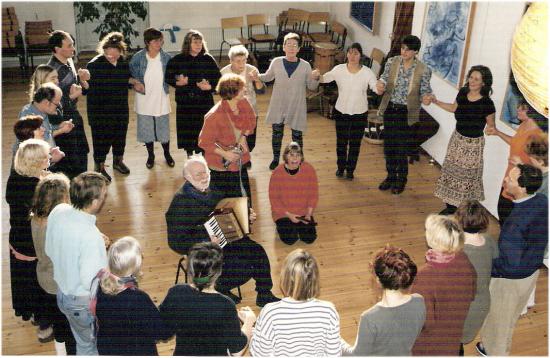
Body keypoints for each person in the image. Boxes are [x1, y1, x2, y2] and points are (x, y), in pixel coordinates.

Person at [165, 155, 280, 307]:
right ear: (187, 177)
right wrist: (206, 241)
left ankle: (264, 293)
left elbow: (228, 209)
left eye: (205, 171)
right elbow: (176, 243)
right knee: (240, 268)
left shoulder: (214, 188)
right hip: (203, 251)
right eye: (198, 174)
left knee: (257, 252)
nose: (204, 176)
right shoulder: (180, 203)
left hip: (226, 238)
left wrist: (246, 216)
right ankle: (220, 290)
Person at [476, 164, 548, 357]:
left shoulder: (514, 225)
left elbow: (509, 266)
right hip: (531, 272)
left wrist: (488, 268)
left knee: (497, 323)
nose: (505, 179)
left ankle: (492, 352)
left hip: (510, 281)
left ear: (523, 188)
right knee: (509, 319)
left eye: (511, 178)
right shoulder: (541, 201)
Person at [45, 171, 110, 355]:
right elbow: (92, 281)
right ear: (95, 202)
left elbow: (49, 249)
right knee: (90, 346)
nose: (104, 198)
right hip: (82, 303)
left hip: (62, 293)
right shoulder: (90, 236)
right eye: (104, 195)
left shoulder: (58, 211)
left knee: (81, 340)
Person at [159, 242, 257, 356]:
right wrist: (249, 322)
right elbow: (237, 351)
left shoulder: (176, 293)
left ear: (189, 269)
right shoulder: (225, 305)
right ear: (219, 272)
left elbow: (163, 333)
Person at [430, 65, 496, 214]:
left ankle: (464, 211)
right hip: (457, 140)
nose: (472, 81)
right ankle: (450, 207)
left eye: (476, 79)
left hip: (472, 146)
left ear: (483, 83)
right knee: (451, 172)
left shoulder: (487, 104)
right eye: (471, 77)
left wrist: (491, 129)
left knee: (466, 178)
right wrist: (436, 101)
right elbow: (454, 108)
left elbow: (491, 126)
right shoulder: (463, 92)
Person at [250, 249, 341, 356]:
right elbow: (334, 354)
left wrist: (253, 332)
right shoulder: (329, 311)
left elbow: (259, 354)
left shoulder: (270, 313)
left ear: (285, 278)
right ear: (315, 280)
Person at [411, 214, 476, 356]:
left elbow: (424, 322)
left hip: (431, 344)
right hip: (453, 333)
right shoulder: (463, 259)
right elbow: (472, 293)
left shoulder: (425, 276)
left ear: (432, 240)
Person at [342, 246, 425, 356]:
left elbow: (357, 356)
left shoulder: (370, 318)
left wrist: (337, 342)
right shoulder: (419, 301)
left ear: (378, 280)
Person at [254, 32, 320, 170]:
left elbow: (312, 87)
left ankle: (297, 160)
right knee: (277, 133)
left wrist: (316, 78)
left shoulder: (306, 65)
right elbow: (267, 77)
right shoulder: (276, 62)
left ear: (299, 48)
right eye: (288, 44)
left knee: (297, 136)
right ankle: (275, 158)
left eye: (294, 45)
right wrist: (256, 76)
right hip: (279, 104)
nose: (291, 48)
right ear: (283, 47)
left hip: (297, 105)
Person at [376, 35, 433, 194]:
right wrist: (380, 84)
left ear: (415, 51)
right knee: (389, 147)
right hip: (390, 109)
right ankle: (390, 176)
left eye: (408, 50)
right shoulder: (392, 62)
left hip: (406, 113)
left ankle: (401, 180)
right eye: (402, 48)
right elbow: (384, 78)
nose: (404, 52)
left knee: (401, 149)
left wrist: (427, 98)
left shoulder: (423, 70)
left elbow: (425, 91)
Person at [94, 236, 170, 355]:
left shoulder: (100, 285)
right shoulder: (138, 299)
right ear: (133, 267)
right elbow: (162, 332)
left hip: (107, 349)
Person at [6, 139, 51, 328]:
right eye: (46, 157)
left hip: (17, 237)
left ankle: (29, 311)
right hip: (31, 241)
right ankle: (43, 321)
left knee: (23, 279)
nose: (49, 158)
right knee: (36, 280)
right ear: (35, 163)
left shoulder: (16, 176)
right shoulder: (35, 189)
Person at [30, 173, 76, 354]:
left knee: (58, 322)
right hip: (59, 282)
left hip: (44, 276)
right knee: (66, 325)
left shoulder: (36, 217)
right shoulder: (57, 226)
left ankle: (59, 347)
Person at [320, 42, 380, 180]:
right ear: (347, 54)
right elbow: (325, 78)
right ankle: (341, 168)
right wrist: (316, 75)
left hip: (360, 113)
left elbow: (375, 87)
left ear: (360, 56)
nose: (352, 56)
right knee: (341, 142)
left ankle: (350, 170)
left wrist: (380, 87)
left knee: (355, 143)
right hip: (341, 111)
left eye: (356, 53)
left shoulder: (367, 72)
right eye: (350, 52)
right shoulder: (339, 69)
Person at [485, 99, 546, 225]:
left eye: (522, 108)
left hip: (521, 183)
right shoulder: (524, 125)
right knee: (502, 213)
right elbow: (515, 143)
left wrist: (520, 165)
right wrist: (497, 132)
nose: (518, 109)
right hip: (510, 176)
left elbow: (541, 166)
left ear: (533, 112)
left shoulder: (538, 135)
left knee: (509, 220)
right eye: (519, 106)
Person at [87, 32, 137, 181]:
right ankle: (99, 167)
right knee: (101, 139)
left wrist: (134, 82)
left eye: (116, 53)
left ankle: (118, 161)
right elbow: (87, 88)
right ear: (104, 49)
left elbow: (125, 78)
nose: (113, 56)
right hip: (100, 111)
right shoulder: (94, 65)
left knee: (120, 137)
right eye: (109, 53)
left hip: (120, 108)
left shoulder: (122, 62)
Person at [198, 73, 256, 199]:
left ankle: (246, 216)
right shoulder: (214, 116)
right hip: (221, 166)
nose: (245, 90)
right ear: (232, 92)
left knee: (244, 197)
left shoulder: (243, 102)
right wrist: (226, 154)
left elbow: (251, 119)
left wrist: (243, 137)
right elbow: (204, 142)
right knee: (226, 202)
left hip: (239, 161)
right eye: (242, 88)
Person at [165, 29, 221, 157]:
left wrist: (210, 87)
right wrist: (178, 83)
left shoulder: (207, 59)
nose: (198, 45)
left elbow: (218, 79)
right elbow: (168, 77)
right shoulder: (178, 59)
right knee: (188, 132)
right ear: (187, 44)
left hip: (204, 102)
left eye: (200, 42)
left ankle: (203, 155)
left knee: (204, 131)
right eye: (195, 42)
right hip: (186, 103)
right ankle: (190, 157)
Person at [454, 201, 498, 354]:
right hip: (482, 303)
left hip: (462, 306)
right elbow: (495, 260)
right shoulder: (489, 241)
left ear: (458, 221)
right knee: (459, 340)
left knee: (453, 341)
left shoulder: (457, 250)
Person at [47, 30, 90, 179]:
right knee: (71, 160)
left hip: (73, 114)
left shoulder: (69, 62)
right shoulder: (51, 71)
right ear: (57, 49)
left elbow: (77, 88)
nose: (73, 49)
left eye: (73, 44)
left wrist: (83, 81)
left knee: (82, 151)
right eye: (69, 45)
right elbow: (50, 104)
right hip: (61, 119)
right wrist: (72, 97)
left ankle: (81, 185)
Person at [129, 27, 175, 169]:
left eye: (160, 41)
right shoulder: (138, 57)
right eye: (155, 41)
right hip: (144, 98)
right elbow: (129, 76)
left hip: (161, 97)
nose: (159, 44)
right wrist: (135, 83)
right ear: (147, 42)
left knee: (163, 128)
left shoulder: (166, 58)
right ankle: (151, 155)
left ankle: (167, 154)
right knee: (146, 129)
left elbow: (173, 76)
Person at [220, 45, 264, 168]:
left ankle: (246, 155)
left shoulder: (252, 70)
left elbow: (261, 91)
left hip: (251, 111)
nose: (242, 64)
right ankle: (238, 158)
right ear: (231, 61)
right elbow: (222, 94)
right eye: (238, 61)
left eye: (244, 60)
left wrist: (256, 80)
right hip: (232, 112)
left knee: (250, 140)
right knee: (234, 137)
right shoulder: (224, 72)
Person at [269, 142, 319, 245]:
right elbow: (274, 199)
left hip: (303, 212)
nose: (295, 158)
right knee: (290, 240)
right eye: (291, 155)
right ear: (285, 156)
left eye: (298, 155)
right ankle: (287, 225)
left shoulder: (309, 169)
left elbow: (313, 193)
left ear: (302, 157)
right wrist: (289, 215)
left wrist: (309, 214)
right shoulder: (277, 173)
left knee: (310, 238)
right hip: (284, 213)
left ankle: (296, 226)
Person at [19, 83, 74, 150]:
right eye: (57, 104)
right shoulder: (28, 116)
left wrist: (59, 126)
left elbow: (47, 128)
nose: (58, 107)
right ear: (46, 103)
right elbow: (38, 142)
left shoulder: (41, 109)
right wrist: (61, 131)